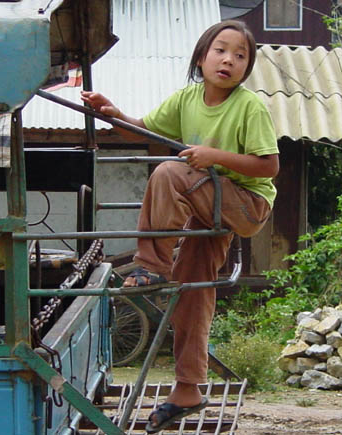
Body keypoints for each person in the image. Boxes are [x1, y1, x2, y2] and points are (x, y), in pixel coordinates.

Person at [81, 19, 279, 434]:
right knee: (192, 288)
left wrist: (214, 155)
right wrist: (113, 114)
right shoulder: (187, 98)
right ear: (201, 56)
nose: (229, 60)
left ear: (247, 68)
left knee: (169, 172)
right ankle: (188, 387)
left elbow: (269, 166)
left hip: (247, 205)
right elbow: (144, 129)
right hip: (209, 208)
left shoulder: (249, 107)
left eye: (240, 55)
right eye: (220, 50)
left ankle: (150, 265)